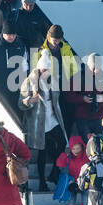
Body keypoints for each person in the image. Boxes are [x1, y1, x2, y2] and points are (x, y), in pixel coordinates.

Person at [20, 59, 68, 192]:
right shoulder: (29, 82)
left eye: (47, 69)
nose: (45, 72)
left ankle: (54, 171)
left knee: (63, 142)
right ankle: (42, 182)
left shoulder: (53, 80)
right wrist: (29, 100)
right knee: (42, 152)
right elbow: (21, 103)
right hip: (38, 122)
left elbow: (57, 99)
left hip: (52, 119)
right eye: (43, 70)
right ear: (39, 69)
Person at [66, 52, 103, 141]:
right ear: (88, 65)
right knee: (86, 143)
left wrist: (99, 98)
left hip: (99, 117)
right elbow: (68, 96)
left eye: (98, 68)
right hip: (82, 117)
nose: (96, 71)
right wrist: (82, 99)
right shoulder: (77, 78)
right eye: (94, 68)